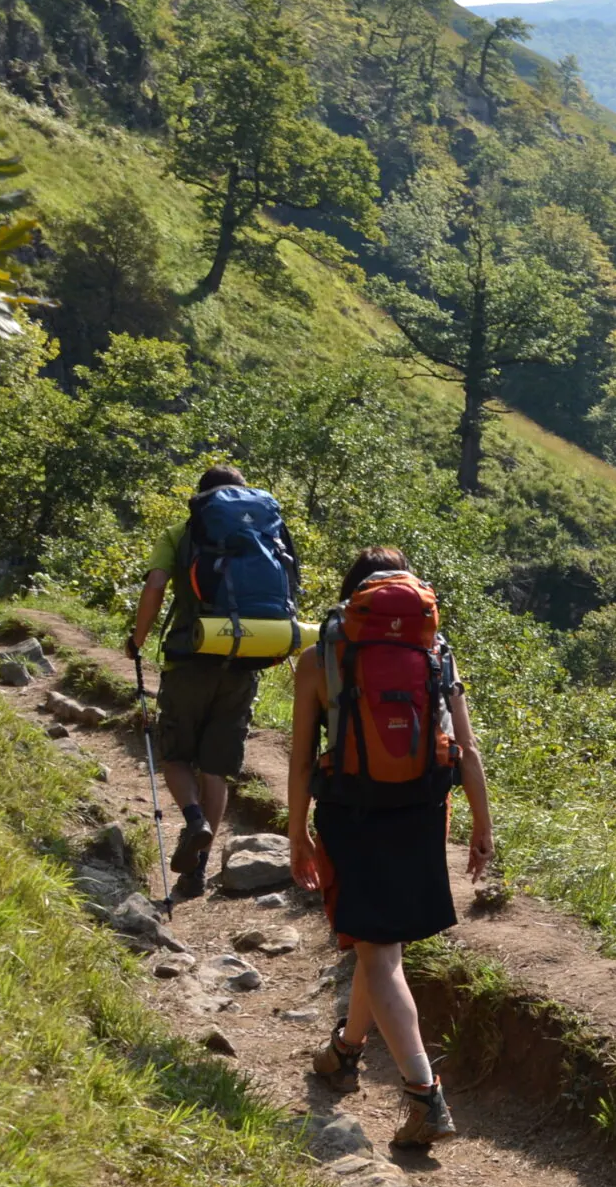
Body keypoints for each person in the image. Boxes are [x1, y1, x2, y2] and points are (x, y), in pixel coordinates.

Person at [288, 547, 495, 1146]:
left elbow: (302, 759)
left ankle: (424, 1096)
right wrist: (483, 827)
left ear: (352, 599)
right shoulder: (434, 652)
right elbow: (468, 749)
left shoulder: (322, 657)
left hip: (353, 812)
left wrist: (297, 831)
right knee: (377, 940)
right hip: (426, 811)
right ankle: (346, 1053)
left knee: (378, 951)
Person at [127, 463, 297, 899]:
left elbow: (156, 586)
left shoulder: (181, 532)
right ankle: (197, 871)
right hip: (244, 660)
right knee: (217, 768)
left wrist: (137, 638)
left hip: (190, 657)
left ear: (201, 499)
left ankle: (193, 820)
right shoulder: (266, 532)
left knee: (177, 756)